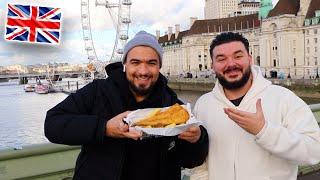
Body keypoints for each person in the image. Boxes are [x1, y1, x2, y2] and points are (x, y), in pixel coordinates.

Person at [45, 31, 208, 180]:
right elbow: (52, 124)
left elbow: (192, 160)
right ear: (125, 64)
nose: (143, 71)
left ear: (159, 66)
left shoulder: (173, 106)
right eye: (135, 62)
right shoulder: (98, 92)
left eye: (151, 63)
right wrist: (104, 128)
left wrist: (197, 139)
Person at [194, 32, 320, 180]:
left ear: (250, 59)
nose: (231, 64)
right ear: (213, 66)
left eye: (238, 56)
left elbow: (314, 150)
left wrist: (264, 131)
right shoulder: (203, 104)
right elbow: (201, 163)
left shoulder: (283, 98)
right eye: (221, 59)